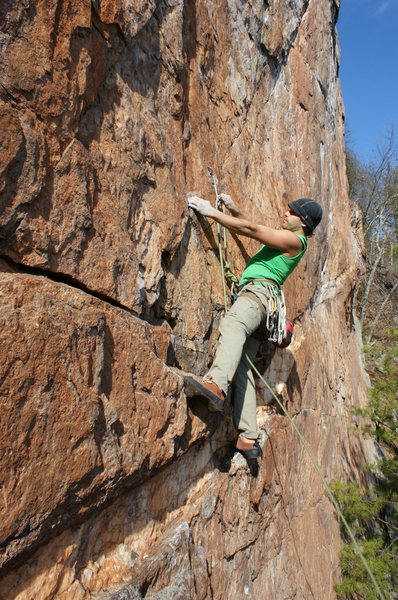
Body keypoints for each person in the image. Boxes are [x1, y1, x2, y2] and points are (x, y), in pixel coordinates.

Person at [187, 193, 323, 467]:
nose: (284, 213)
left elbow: (253, 231)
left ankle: (215, 384)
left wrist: (210, 212)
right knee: (244, 368)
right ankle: (248, 437)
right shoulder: (291, 240)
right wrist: (235, 210)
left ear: (303, 222)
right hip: (267, 310)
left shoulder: (296, 240)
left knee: (234, 324)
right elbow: (253, 228)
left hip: (257, 296)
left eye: (291, 212)